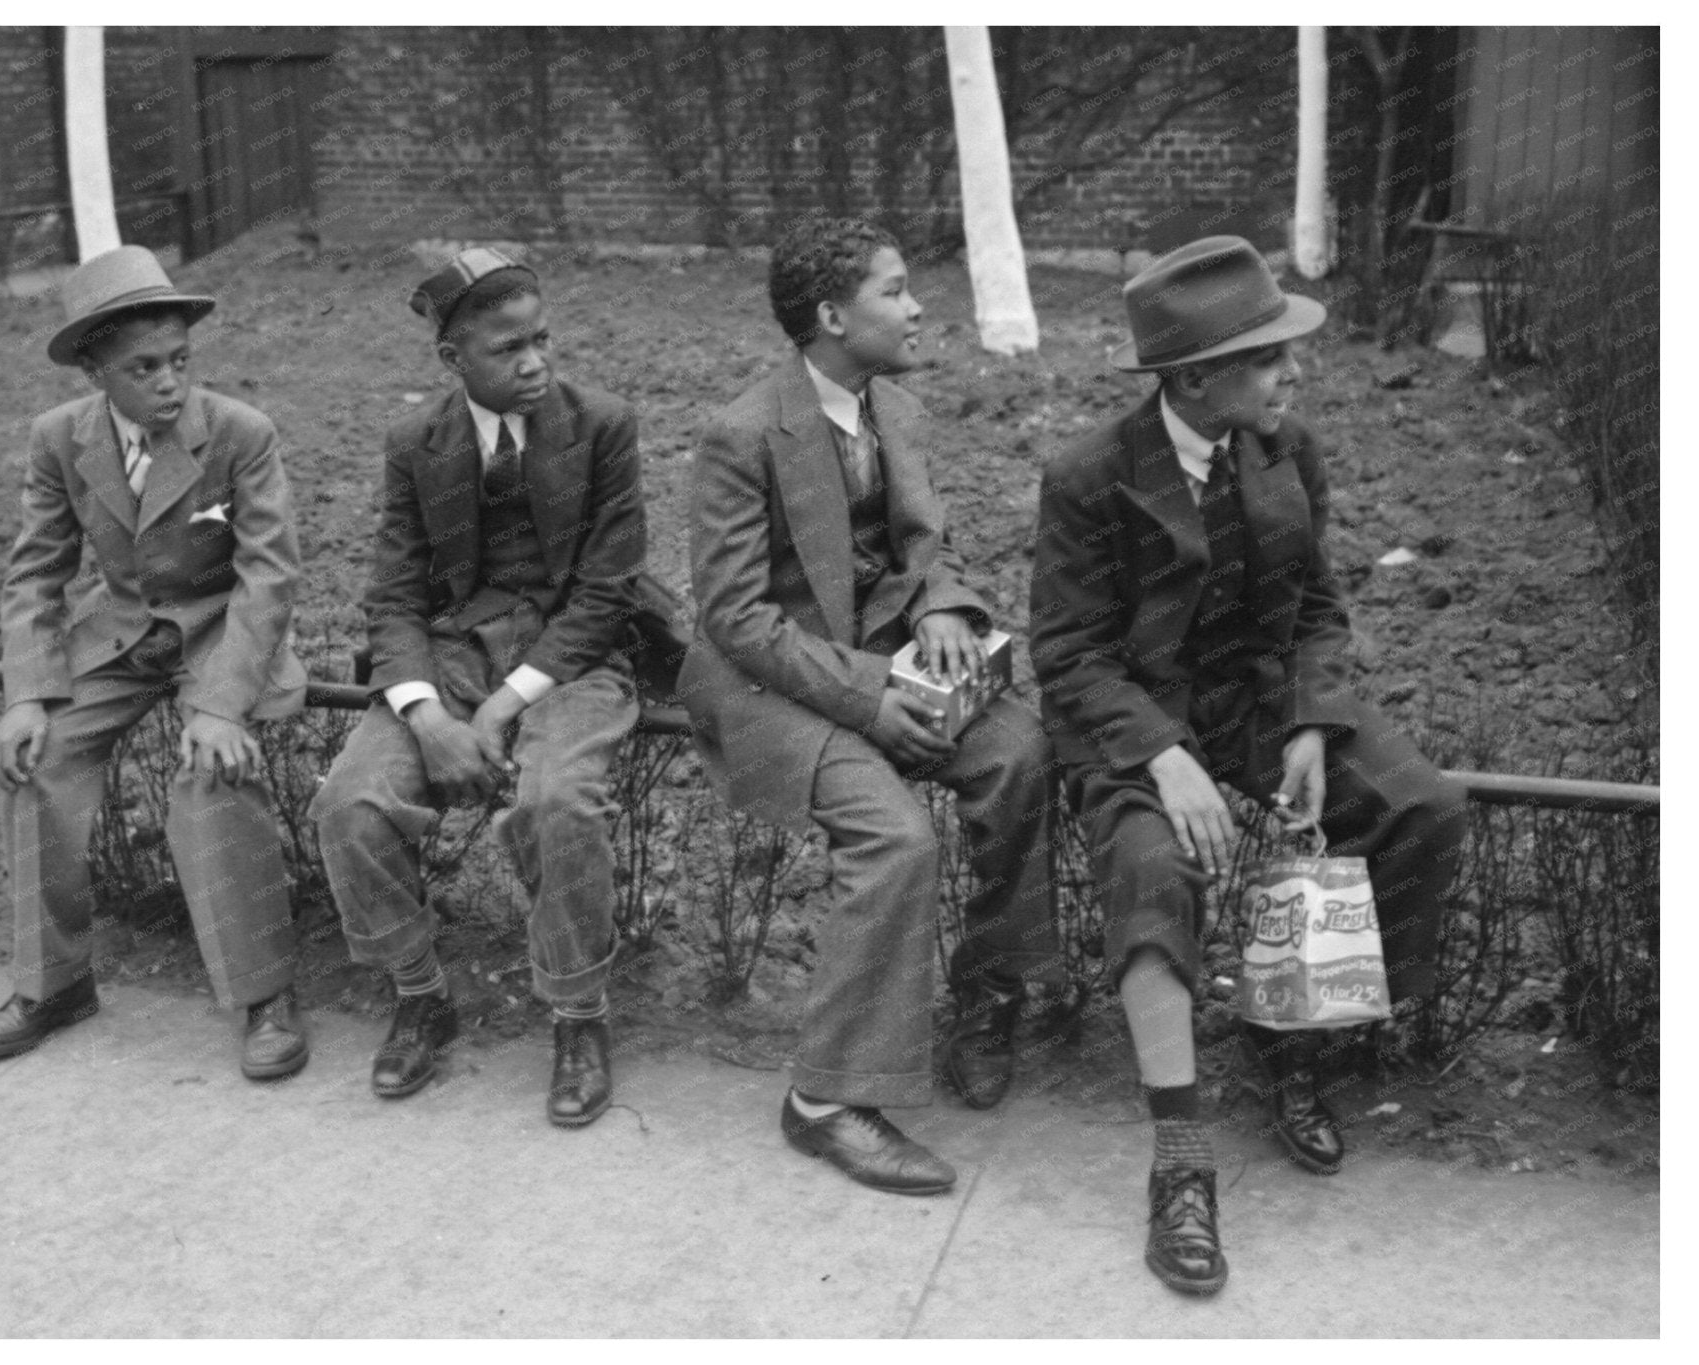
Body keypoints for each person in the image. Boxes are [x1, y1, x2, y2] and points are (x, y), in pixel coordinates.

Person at [1029, 235, 1469, 1294]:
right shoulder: (1090, 476)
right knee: (1152, 871)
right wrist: (1163, 758)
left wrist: (1312, 723)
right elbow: (1066, 654)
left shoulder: (1284, 449)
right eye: (1267, 357)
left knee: (1415, 807)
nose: (1289, 373)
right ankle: (1179, 1163)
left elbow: (1316, 605)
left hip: (1260, 702)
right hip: (1136, 714)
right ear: (1193, 377)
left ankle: (1289, 1042)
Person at [679, 216, 1062, 1196]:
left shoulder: (894, 410)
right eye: (894, 290)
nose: (917, 304)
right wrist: (873, 695)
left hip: (879, 655)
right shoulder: (739, 433)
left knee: (1014, 754)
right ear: (829, 314)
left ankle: (985, 996)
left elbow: (920, 551)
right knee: (894, 840)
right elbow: (733, 617)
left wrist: (940, 610)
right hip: (772, 681)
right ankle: (823, 1102)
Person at [312, 248, 645, 1128]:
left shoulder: (603, 425)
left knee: (558, 801)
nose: (535, 361)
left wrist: (502, 708)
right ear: (453, 359)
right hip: (453, 653)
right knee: (350, 802)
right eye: (507, 349)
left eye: (542, 339)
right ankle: (420, 990)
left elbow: (607, 592)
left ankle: (579, 1013)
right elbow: (393, 593)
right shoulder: (417, 444)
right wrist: (425, 715)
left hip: (572, 656)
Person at [0, 245, 310, 1080]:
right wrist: (25, 696)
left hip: (222, 630)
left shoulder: (239, 433)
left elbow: (270, 574)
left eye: (180, 362)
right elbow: (36, 570)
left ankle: (265, 993)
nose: (169, 383)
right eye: (143, 367)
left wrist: (222, 705)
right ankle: (53, 982)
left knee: (211, 771)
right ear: (95, 371)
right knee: (37, 760)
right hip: (120, 631)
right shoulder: (59, 440)